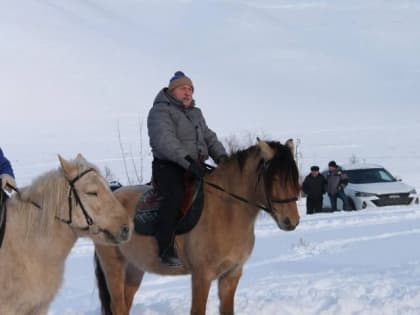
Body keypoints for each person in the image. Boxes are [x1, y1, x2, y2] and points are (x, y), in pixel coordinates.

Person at [147, 71, 227, 267]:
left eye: (190, 89)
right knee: (175, 195)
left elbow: (209, 137)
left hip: (196, 165)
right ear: (172, 90)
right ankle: (165, 247)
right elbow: (165, 141)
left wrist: (224, 159)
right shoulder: (160, 111)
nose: (188, 92)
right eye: (183, 88)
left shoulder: (195, 112)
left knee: (220, 193)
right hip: (170, 166)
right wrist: (188, 162)